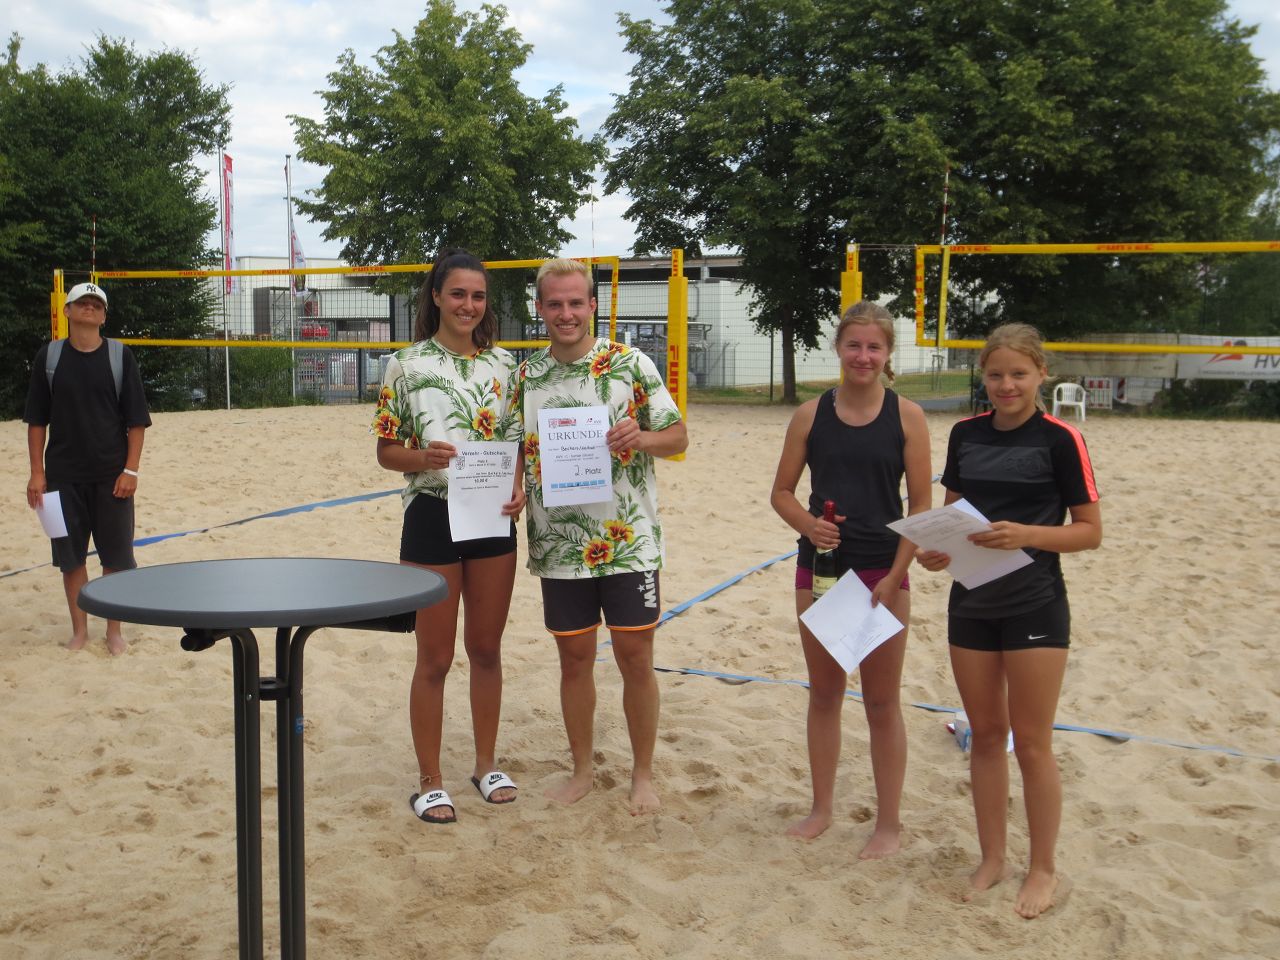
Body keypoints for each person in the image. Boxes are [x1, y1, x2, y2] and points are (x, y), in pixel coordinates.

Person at [916, 322, 1101, 918]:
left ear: (1041, 373)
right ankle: (992, 857)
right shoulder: (965, 434)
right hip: (971, 601)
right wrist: (935, 552)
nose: (1006, 385)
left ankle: (1042, 867)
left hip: (1035, 601)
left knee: (1034, 744)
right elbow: (951, 521)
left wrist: (1027, 534)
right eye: (995, 374)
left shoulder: (1060, 439)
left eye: (1018, 374)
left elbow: (1089, 532)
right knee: (986, 735)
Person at [512, 257, 687, 815]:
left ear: (592, 305)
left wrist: (642, 437)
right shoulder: (526, 377)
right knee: (574, 659)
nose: (565, 313)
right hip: (560, 544)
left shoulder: (629, 364)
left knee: (636, 657)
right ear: (540, 308)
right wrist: (513, 490)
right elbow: (514, 449)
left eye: (575, 302)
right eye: (554, 304)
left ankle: (642, 774)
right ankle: (582, 770)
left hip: (628, 540)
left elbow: (678, 436)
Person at [770, 300, 931, 856]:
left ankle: (888, 824)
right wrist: (809, 524)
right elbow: (782, 493)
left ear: (888, 354)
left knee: (882, 703)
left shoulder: (907, 416)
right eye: (854, 345)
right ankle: (821, 809)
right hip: (821, 569)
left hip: (883, 570)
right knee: (825, 694)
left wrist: (898, 573)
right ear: (838, 348)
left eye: (874, 347)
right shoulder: (810, 415)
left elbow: (920, 505)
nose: (864, 356)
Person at [372, 249, 525, 824]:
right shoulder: (405, 366)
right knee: (434, 657)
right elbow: (387, 452)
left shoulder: (505, 366)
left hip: (490, 516)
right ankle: (430, 781)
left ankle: (486, 765)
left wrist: (518, 486)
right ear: (436, 296)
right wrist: (423, 457)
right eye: (458, 293)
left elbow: (516, 444)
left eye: (478, 296)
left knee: (485, 649)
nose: (468, 305)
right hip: (432, 515)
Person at [25, 282, 151, 656]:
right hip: (60, 478)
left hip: (112, 477)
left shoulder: (119, 356)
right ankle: (79, 631)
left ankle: (114, 632)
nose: (90, 307)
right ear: (67, 310)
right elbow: (36, 420)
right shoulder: (49, 357)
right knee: (71, 559)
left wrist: (131, 471)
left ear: (104, 316)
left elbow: (136, 421)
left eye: (97, 304)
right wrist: (36, 473)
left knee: (116, 559)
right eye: (82, 302)